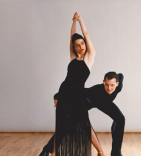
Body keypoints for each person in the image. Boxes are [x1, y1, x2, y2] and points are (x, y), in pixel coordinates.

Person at [50, 12, 105, 156]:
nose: (80, 46)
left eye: (82, 44)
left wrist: (79, 19)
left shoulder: (89, 57)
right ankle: (55, 152)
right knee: (61, 124)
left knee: (85, 125)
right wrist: (72, 22)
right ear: (74, 48)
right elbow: (71, 37)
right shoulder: (73, 57)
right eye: (77, 45)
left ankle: (100, 151)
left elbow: (85, 33)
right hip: (64, 94)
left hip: (78, 96)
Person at [40, 72, 125, 156]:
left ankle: (116, 153)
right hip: (85, 103)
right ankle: (46, 151)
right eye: (106, 84)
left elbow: (120, 75)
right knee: (66, 125)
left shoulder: (119, 86)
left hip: (104, 103)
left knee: (120, 119)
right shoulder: (96, 90)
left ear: (117, 83)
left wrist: (117, 75)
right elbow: (77, 91)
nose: (109, 88)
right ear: (103, 82)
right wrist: (57, 95)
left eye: (112, 85)